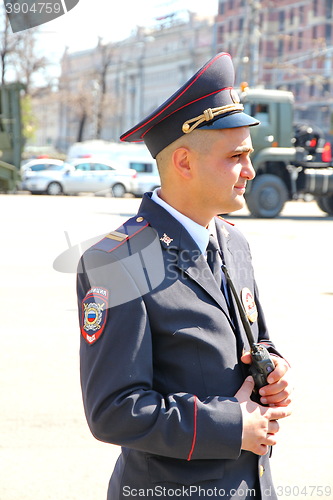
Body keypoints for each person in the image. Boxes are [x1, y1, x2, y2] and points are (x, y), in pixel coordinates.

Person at [77, 52, 293, 499]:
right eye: (236, 156)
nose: (250, 171)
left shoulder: (233, 242)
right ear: (183, 162)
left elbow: (253, 341)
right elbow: (113, 411)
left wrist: (274, 369)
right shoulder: (117, 262)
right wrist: (232, 426)